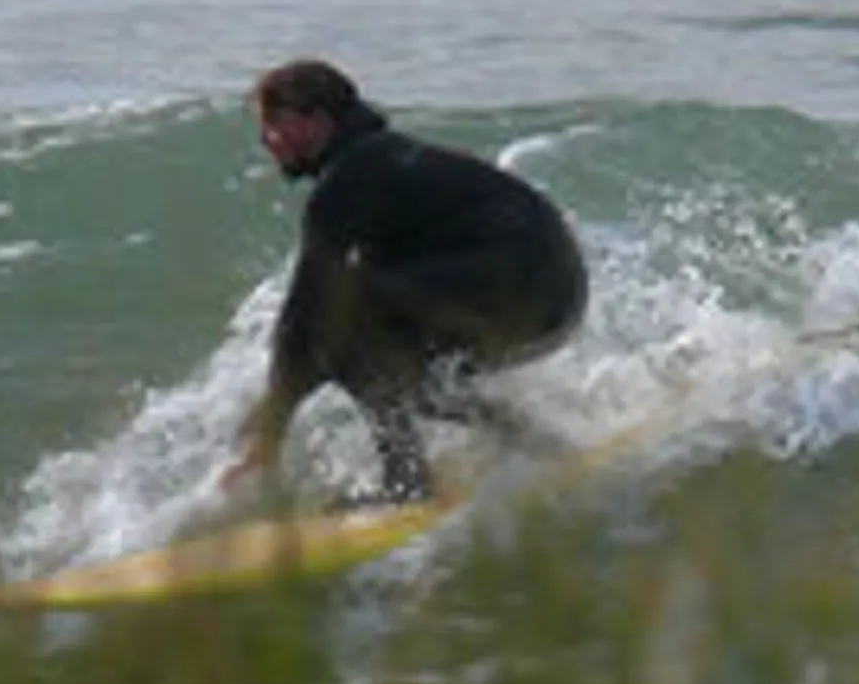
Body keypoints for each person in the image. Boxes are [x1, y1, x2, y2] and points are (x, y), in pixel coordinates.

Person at [220, 57, 588, 506]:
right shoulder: (385, 162)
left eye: (274, 124)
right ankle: (539, 443)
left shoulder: (348, 178)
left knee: (345, 323)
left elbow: (305, 316)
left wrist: (268, 433)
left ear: (315, 121)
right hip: (556, 296)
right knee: (402, 369)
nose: (266, 140)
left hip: (525, 285)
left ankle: (406, 483)